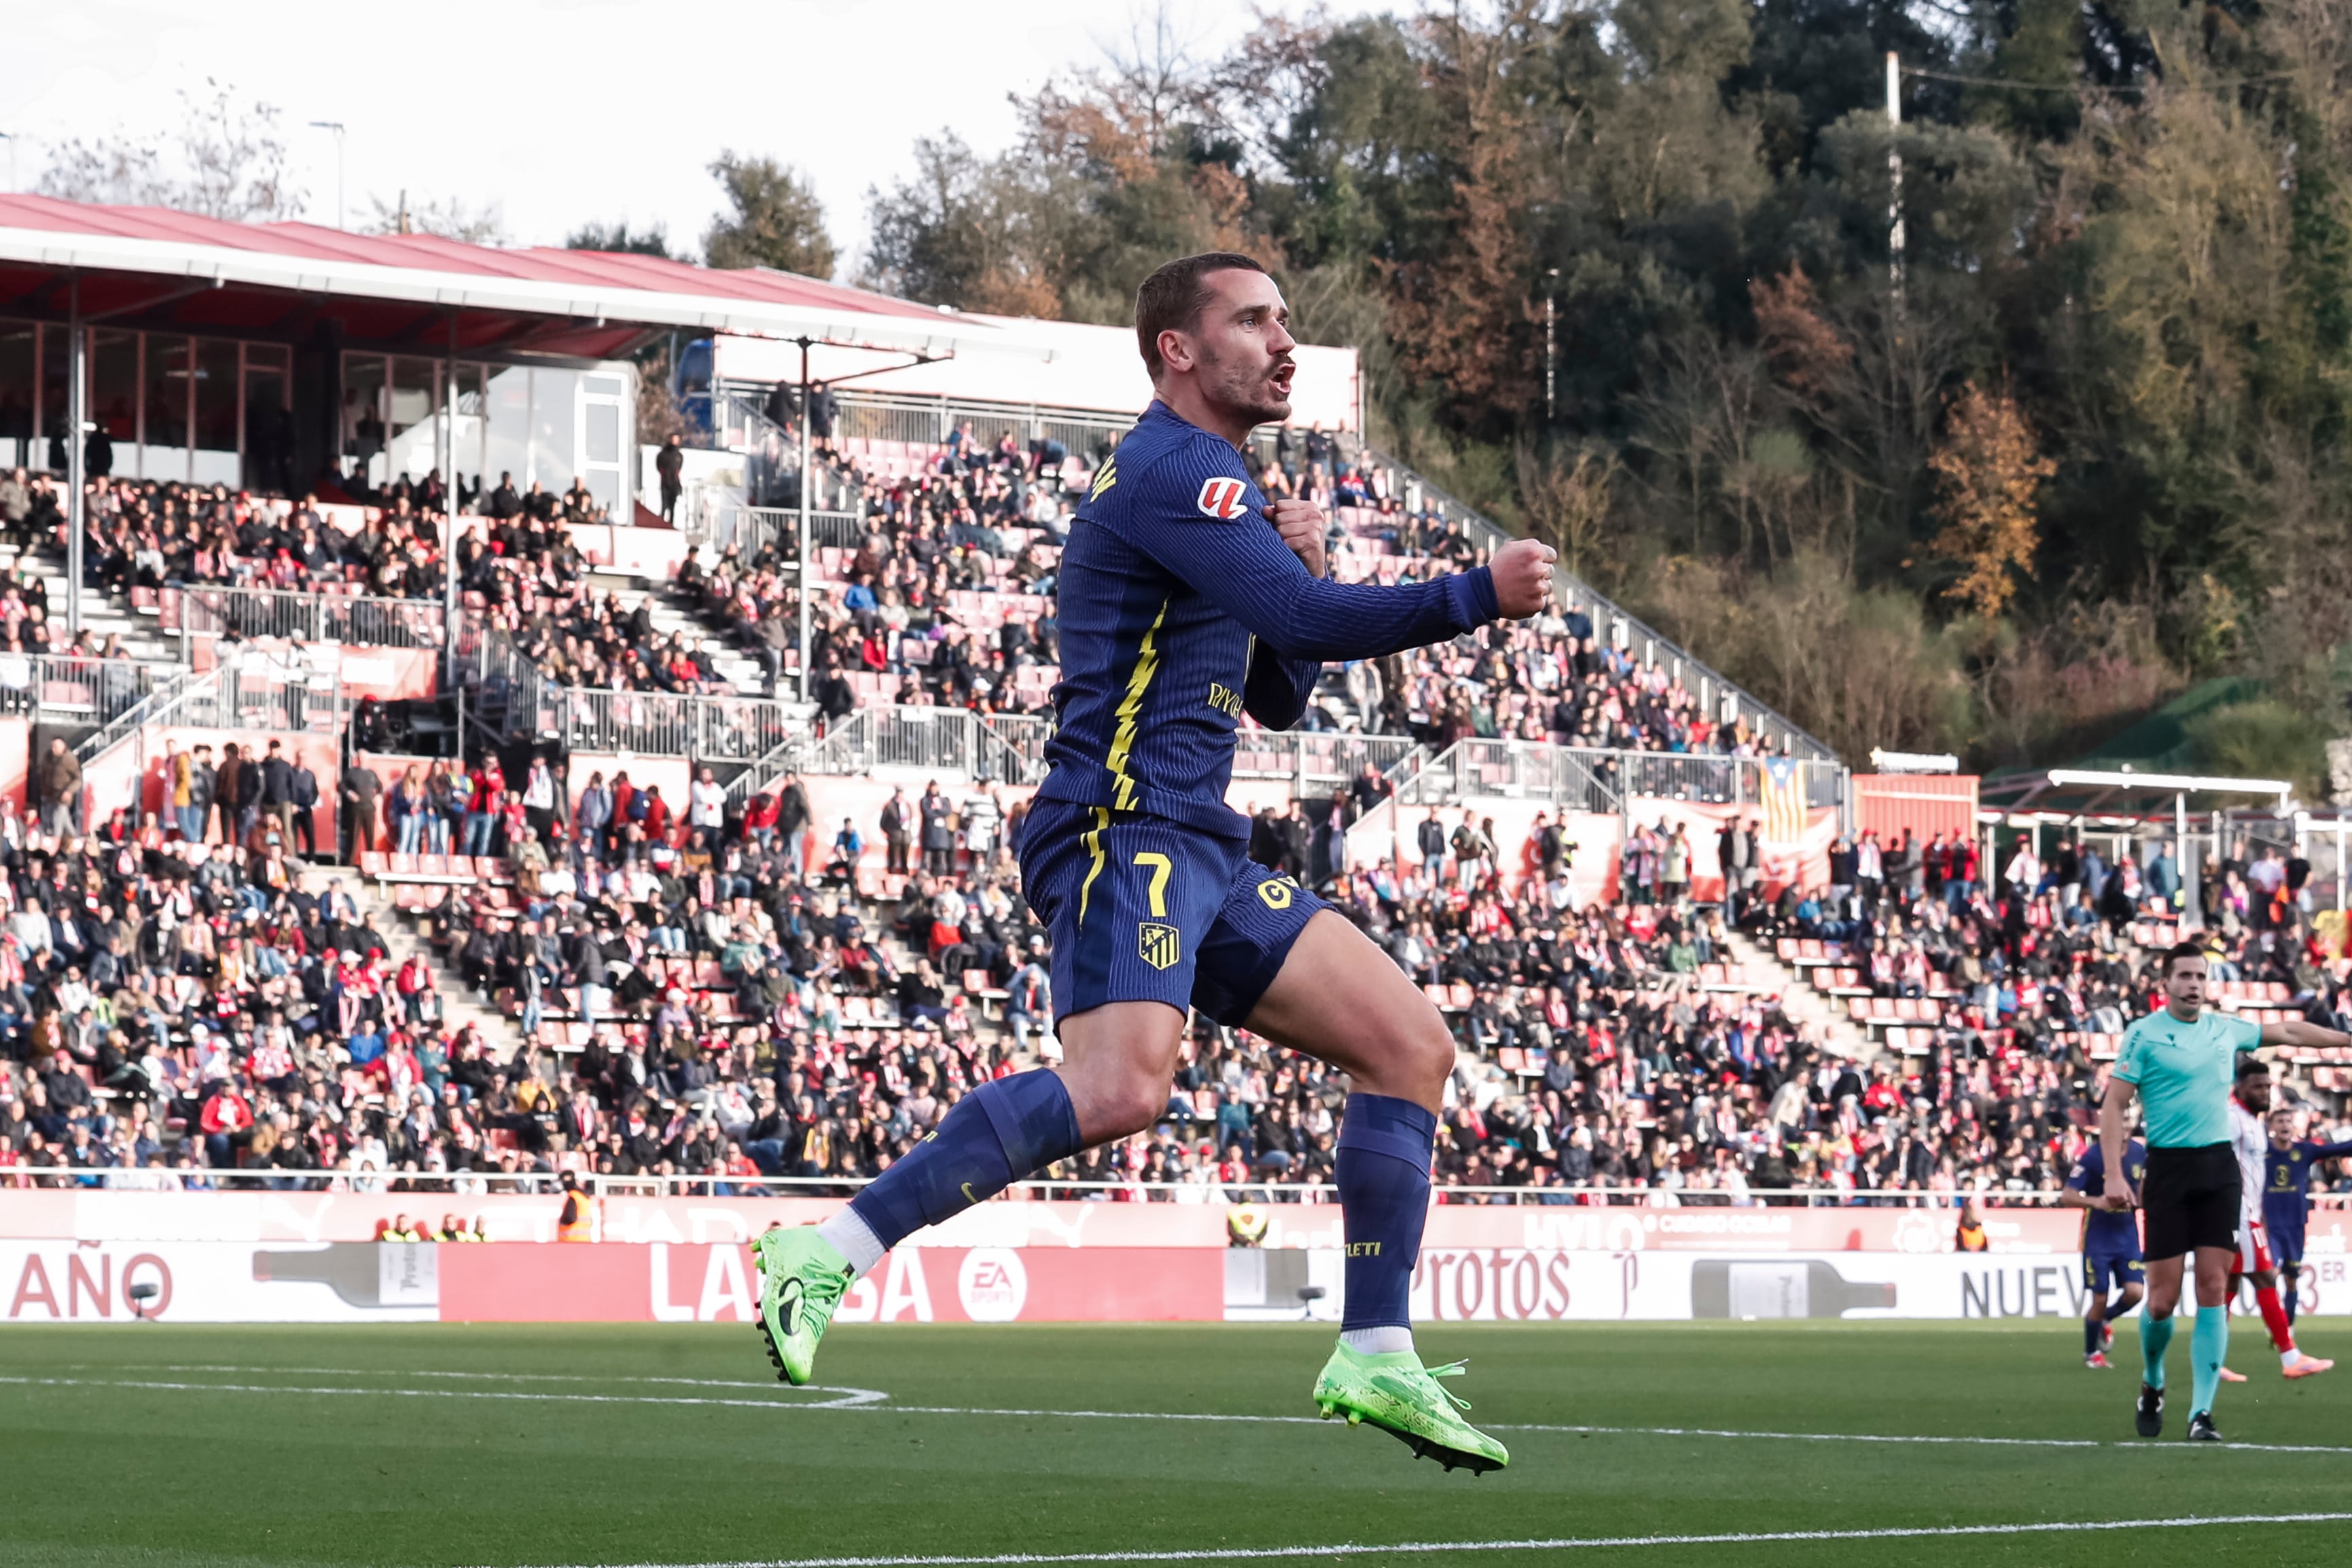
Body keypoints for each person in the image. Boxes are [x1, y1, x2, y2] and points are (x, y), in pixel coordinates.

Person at [750, 251, 1555, 1474]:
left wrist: (1308, 564)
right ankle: (831, 1249)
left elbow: (1278, 689)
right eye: (1251, 320)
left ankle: (1376, 1350)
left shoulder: (1219, 482)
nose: (1282, 340)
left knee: (1410, 1046)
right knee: (1122, 1089)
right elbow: (1304, 630)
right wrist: (1470, 593)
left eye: (1287, 318)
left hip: (1200, 840)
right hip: (1121, 829)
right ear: (1178, 350)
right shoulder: (1176, 472)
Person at [2099, 942, 2351, 1441]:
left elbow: (2287, 1030)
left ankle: (2201, 1415)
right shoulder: (2144, 1035)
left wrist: (2345, 1040)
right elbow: (2114, 1106)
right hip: (2168, 1170)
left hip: (2218, 1170)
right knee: (2161, 1303)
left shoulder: (2223, 1028)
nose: (2194, 984)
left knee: (2214, 1288)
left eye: (2200, 976)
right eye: (2185, 976)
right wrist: (2113, 1173)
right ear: (2166, 983)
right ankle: (2153, 1383)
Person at [2220, 1061, 2332, 1379]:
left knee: (2228, 1288)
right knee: (2266, 1279)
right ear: (2239, 1089)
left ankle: (2213, 1361)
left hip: (2248, 1215)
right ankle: (2290, 1356)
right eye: (2257, 1086)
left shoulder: (2254, 1124)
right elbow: (2209, 1155)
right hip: (2239, 1216)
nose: (2264, 1091)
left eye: (2267, 1086)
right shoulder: (2232, 1120)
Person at [2057, 1112, 2145, 1370]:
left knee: (2135, 1293)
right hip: (2099, 1236)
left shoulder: (2140, 1152)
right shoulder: (2094, 1156)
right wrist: (2097, 1202)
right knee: (2099, 1297)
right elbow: (2068, 1195)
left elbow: (2144, 1189)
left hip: (2128, 1234)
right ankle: (2090, 1353)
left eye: (2127, 1120)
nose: (2125, 1125)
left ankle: (2105, 1321)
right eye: (2120, 1120)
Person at [2261, 1107, 2352, 1328]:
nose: (2284, 1125)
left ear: (2293, 1127)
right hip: (2270, 1226)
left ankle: (2287, 1329)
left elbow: (2338, 1149)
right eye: (2280, 1121)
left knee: (2291, 1280)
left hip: (2295, 1225)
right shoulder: (2262, 1152)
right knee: (2269, 1275)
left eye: (2288, 1121)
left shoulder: (2305, 1150)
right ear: (2272, 1127)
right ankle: (2274, 1324)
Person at [33, 735, 80, 838]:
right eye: (53, 746)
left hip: (61, 797)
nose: (54, 749)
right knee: (56, 822)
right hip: (48, 796)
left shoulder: (69, 759)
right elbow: (43, 772)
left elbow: (78, 779)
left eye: (56, 746)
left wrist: (69, 791)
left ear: (63, 746)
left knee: (57, 822)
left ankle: (56, 842)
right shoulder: (48, 757)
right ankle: (76, 839)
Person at [655, 433, 685, 525]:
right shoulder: (663, 454)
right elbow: (659, 466)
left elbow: (678, 469)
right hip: (665, 483)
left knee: (672, 507)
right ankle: (661, 523)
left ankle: (671, 524)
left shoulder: (679, 456)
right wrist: (665, 475)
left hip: (674, 484)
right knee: (664, 505)